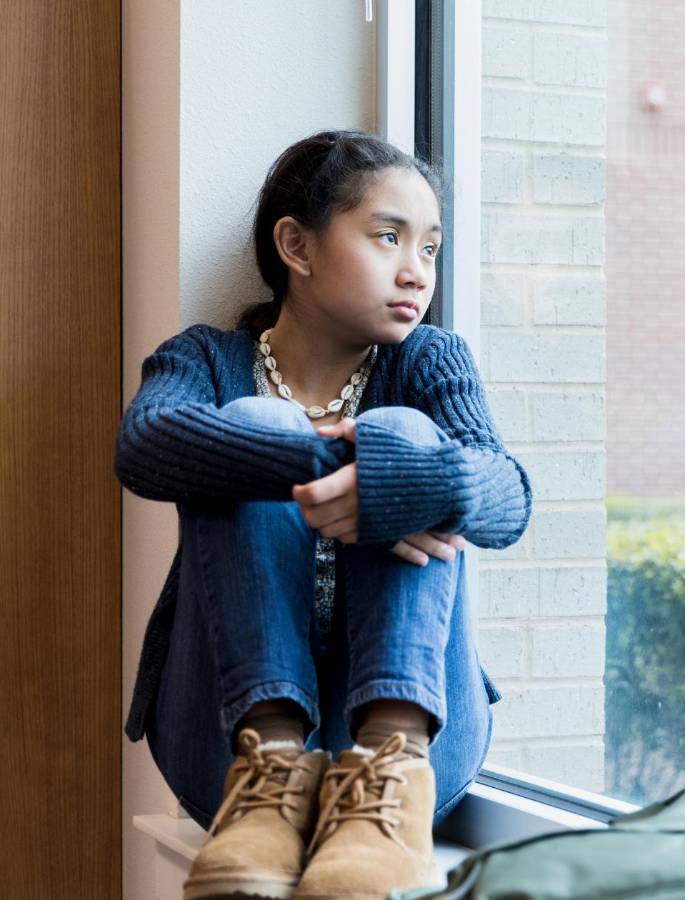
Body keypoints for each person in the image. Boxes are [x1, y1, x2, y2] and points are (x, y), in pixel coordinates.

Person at [114, 130, 531, 900]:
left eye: (431, 249)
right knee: (260, 425)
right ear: (296, 247)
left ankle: (388, 770)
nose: (417, 271)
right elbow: (143, 448)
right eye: (387, 237)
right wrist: (332, 472)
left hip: (416, 755)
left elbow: (508, 498)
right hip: (227, 749)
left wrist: (397, 475)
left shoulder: (428, 361)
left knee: (402, 437)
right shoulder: (203, 359)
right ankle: (271, 770)